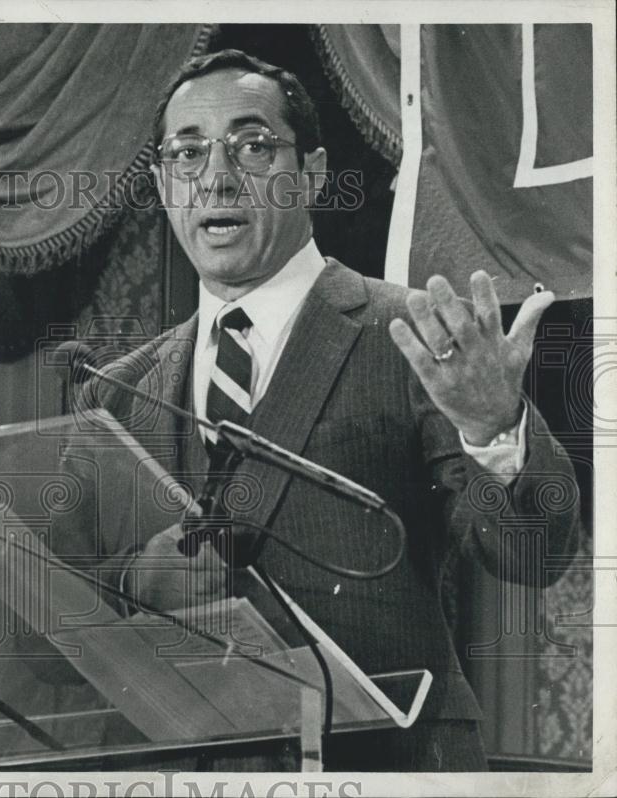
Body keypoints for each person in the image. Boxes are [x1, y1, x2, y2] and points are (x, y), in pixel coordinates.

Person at [74, 49, 581, 772]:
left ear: (311, 173)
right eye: (186, 154)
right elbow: (49, 628)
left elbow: (532, 554)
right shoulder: (118, 391)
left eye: (251, 145)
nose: (215, 176)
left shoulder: (414, 336)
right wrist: (134, 584)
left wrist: (494, 428)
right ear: (161, 184)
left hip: (386, 763)